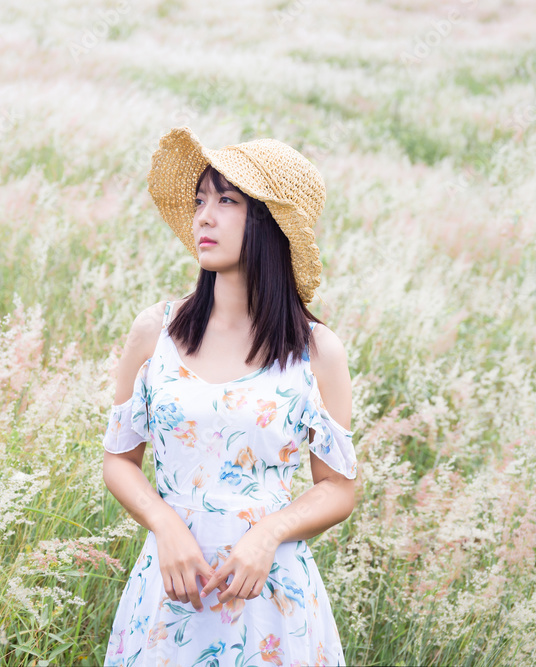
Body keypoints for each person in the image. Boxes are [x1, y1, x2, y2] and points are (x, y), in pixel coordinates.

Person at [101, 126, 359, 666]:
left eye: (226, 201)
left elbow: (337, 488)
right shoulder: (156, 330)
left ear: (268, 223)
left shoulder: (316, 350)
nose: (203, 216)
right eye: (200, 200)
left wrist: (268, 534)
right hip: (170, 592)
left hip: (272, 600)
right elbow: (119, 461)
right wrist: (166, 524)